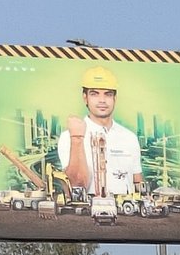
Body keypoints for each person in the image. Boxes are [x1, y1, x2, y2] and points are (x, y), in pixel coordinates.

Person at [57, 65, 144, 198]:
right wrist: (77, 138)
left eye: (108, 94)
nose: (102, 100)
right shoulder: (69, 137)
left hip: (126, 213)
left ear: (115, 98)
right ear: (85, 98)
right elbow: (76, 185)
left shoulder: (129, 138)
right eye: (94, 94)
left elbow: (137, 181)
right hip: (86, 214)